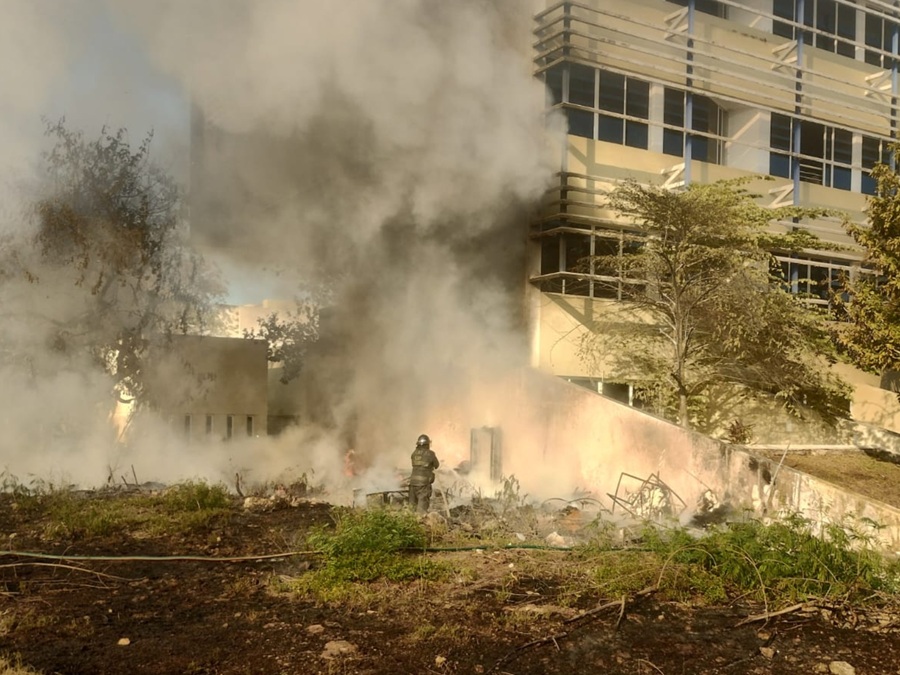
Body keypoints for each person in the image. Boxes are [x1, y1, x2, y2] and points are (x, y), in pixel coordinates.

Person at [408, 433, 440, 514]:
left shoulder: (414, 453)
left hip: (412, 484)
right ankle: (420, 525)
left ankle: (408, 524)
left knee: (411, 509)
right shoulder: (430, 453)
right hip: (423, 485)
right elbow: (437, 465)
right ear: (427, 444)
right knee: (421, 512)